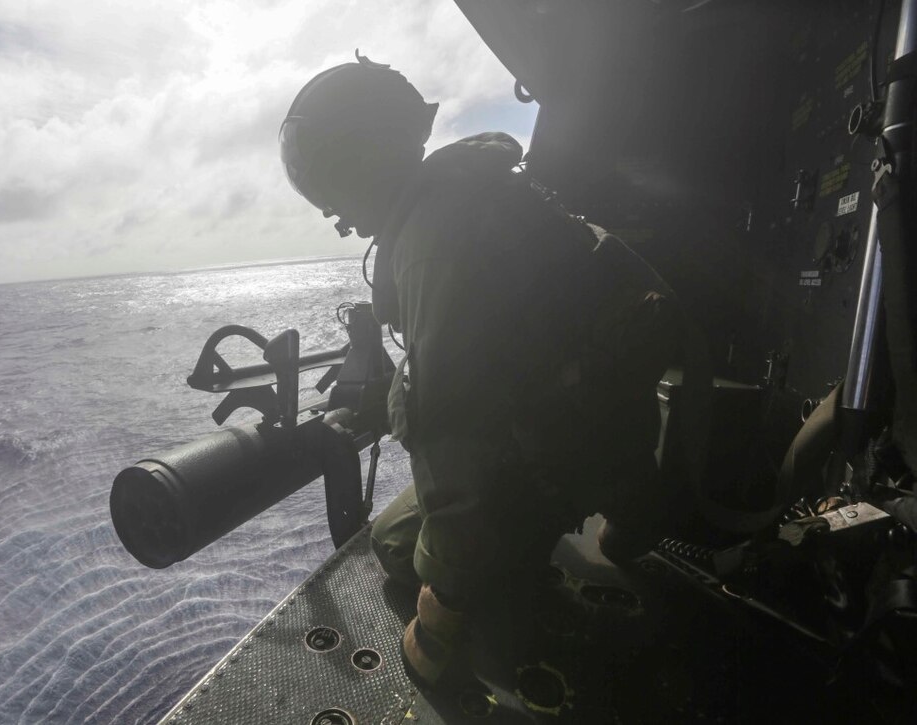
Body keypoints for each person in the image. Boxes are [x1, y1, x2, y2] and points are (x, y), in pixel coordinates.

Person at [280, 54, 681, 691]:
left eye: (329, 185)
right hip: (613, 439)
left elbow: (452, 437)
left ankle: (521, 583)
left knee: (393, 546)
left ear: (359, 163)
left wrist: (440, 617)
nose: (335, 215)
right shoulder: (479, 192)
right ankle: (624, 512)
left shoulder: (431, 244)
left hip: (559, 456)